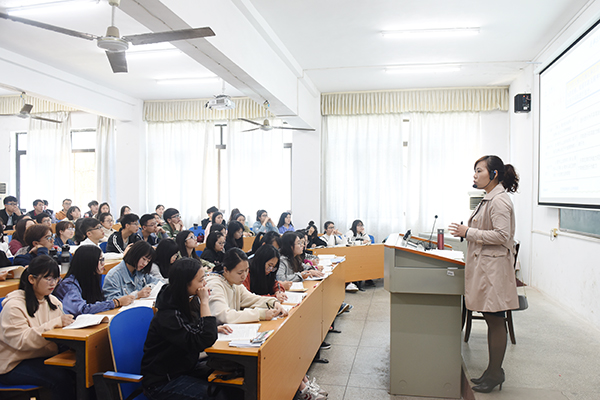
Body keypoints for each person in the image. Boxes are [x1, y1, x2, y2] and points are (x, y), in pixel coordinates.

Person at [449, 155, 520, 394]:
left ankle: (495, 372)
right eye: (475, 171)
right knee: (492, 319)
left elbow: (502, 235)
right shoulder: (489, 198)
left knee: (495, 319)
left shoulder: (499, 201)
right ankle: (492, 372)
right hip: (488, 269)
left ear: (494, 174)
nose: (475, 175)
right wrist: (469, 232)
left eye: (479, 170)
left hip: (494, 271)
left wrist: (468, 232)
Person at [141, 258, 233, 400]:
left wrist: (214, 328)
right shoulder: (169, 314)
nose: (204, 284)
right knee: (217, 394)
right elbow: (202, 340)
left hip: (185, 368)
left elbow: (193, 329)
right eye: (201, 280)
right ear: (185, 283)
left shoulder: (187, 299)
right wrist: (204, 301)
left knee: (231, 380)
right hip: (163, 382)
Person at [0, 256, 76, 400]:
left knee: (79, 369)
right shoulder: (14, 306)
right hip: (13, 364)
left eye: (56, 278)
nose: (53, 283)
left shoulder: (53, 301)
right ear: (31, 279)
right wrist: (55, 323)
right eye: (48, 278)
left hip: (42, 356)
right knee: (59, 378)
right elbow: (22, 341)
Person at [206, 248, 288, 324]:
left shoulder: (234, 283)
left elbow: (251, 299)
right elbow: (223, 316)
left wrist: (273, 302)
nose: (244, 276)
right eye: (240, 273)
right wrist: (259, 314)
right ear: (226, 270)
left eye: (246, 270)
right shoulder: (214, 284)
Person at [53, 245, 134, 316]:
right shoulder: (69, 284)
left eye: (103, 259)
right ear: (89, 262)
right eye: (100, 260)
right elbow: (82, 310)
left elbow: (97, 302)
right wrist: (116, 302)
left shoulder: (92, 278)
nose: (103, 263)